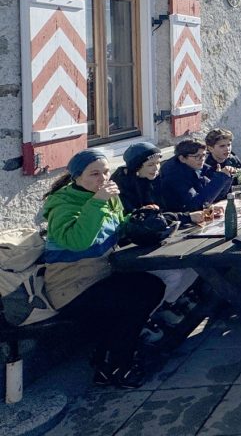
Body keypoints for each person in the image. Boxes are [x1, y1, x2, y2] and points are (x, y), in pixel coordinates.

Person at [42, 149, 166, 387]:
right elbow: (78, 241)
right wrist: (97, 202)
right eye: (94, 174)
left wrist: (140, 219)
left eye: (106, 172)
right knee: (138, 297)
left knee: (151, 286)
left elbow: (118, 228)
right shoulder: (63, 205)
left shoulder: (107, 197)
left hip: (100, 275)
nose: (103, 179)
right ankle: (116, 366)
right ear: (77, 178)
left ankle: (110, 358)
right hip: (71, 287)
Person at [111, 142, 203, 325]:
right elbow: (140, 221)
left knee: (196, 265)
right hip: (129, 248)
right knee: (174, 274)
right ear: (137, 167)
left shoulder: (153, 182)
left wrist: (184, 218)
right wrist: (186, 217)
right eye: (150, 165)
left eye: (158, 163)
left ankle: (167, 305)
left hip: (154, 241)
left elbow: (162, 213)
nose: (156, 168)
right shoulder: (122, 189)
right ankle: (145, 318)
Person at [155, 139, 233, 213]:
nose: (202, 159)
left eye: (204, 155)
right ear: (182, 158)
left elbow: (217, 196)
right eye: (197, 156)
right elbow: (195, 206)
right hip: (177, 221)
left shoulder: (199, 167)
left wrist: (226, 177)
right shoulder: (174, 176)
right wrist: (220, 179)